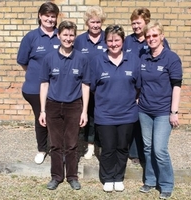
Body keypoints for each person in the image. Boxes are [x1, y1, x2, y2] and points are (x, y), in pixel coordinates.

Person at [39, 20, 90, 190]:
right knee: (55, 144)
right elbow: (44, 84)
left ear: (75, 36)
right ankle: (56, 176)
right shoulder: (49, 58)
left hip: (74, 106)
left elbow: (85, 86)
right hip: (53, 105)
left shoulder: (82, 58)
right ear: (59, 35)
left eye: (71, 35)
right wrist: (42, 110)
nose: (68, 38)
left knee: (71, 143)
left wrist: (84, 111)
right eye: (65, 35)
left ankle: (72, 177)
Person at [90, 25, 141, 192]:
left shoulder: (133, 60)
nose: (113, 44)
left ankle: (118, 177)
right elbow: (92, 87)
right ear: (105, 42)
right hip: (105, 115)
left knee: (122, 147)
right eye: (110, 40)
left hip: (127, 114)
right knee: (108, 148)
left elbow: (138, 86)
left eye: (116, 40)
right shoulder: (98, 61)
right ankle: (108, 177)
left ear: (123, 41)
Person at [138, 21, 182, 199]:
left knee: (160, 150)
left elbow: (176, 86)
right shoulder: (143, 57)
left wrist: (174, 112)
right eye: (148, 36)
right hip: (144, 110)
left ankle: (166, 184)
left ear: (162, 36)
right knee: (147, 148)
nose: (151, 39)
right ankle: (150, 180)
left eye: (155, 35)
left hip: (163, 111)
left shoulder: (171, 58)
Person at [124, 8, 170, 165]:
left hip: (150, 88)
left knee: (147, 123)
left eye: (139, 23)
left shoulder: (154, 39)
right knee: (134, 120)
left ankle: (151, 154)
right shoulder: (128, 40)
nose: (136, 26)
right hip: (132, 86)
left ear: (146, 22)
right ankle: (135, 153)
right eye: (133, 23)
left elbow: (166, 63)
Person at [16, 2, 60, 165]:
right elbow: (23, 61)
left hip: (57, 87)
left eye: (52, 16)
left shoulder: (60, 35)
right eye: (46, 16)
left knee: (56, 119)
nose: (49, 19)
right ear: (40, 16)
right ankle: (42, 149)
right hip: (35, 88)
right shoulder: (31, 37)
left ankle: (58, 148)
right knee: (41, 117)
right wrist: (37, 75)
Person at [74, 6, 107, 160]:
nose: (95, 25)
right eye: (92, 22)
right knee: (89, 117)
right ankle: (90, 145)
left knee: (103, 116)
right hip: (86, 86)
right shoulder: (80, 40)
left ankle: (103, 143)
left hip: (105, 87)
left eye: (98, 22)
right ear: (87, 23)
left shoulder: (108, 37)